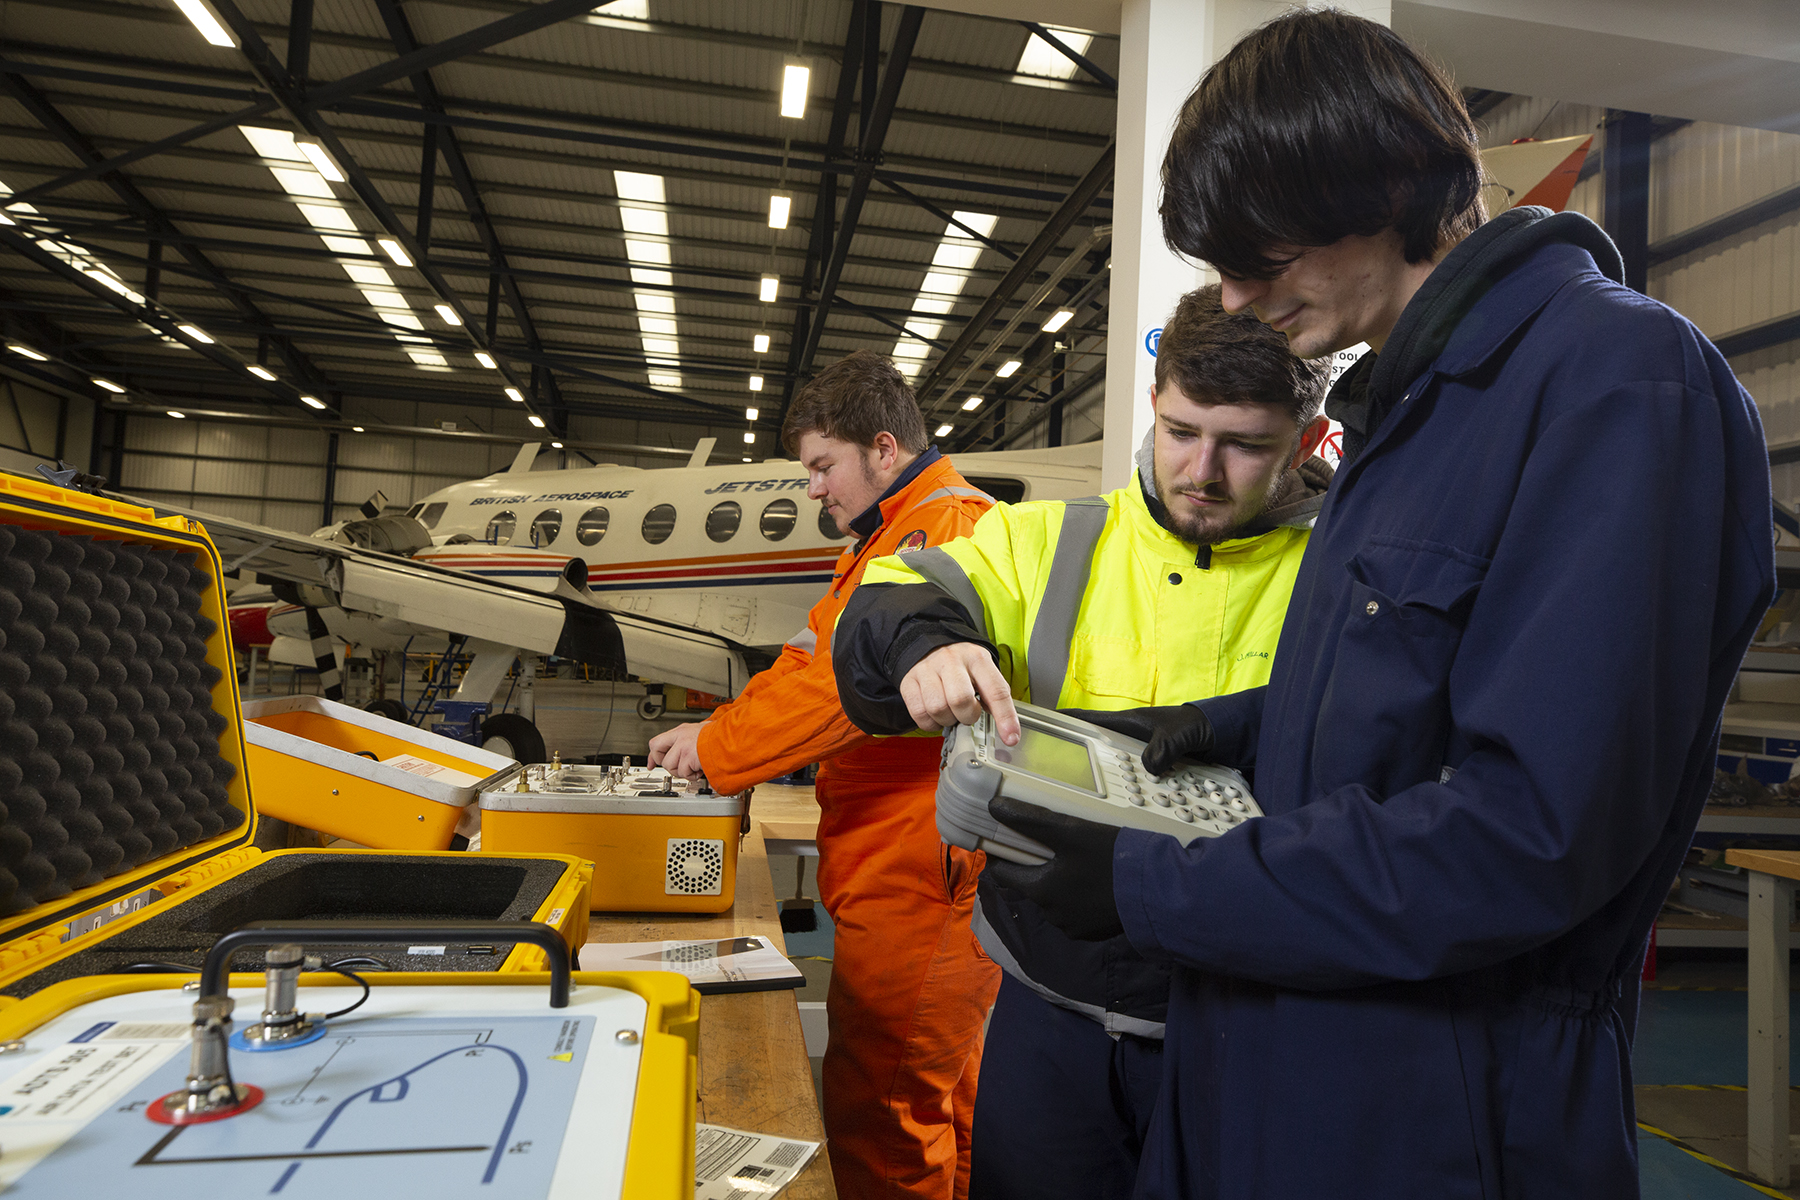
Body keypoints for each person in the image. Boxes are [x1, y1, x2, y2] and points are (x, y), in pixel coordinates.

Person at [893, 12, 1774, 1199]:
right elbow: (1416, 697)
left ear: (1393, 186)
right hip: (1272, 1054)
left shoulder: (1617, 383)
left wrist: (1148, 886)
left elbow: (1530, 834)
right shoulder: (1405, 416)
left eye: (1262, 258)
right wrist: (1229, 726)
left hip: (1436, 1106)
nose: (1240, 300)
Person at [831, 285, 1330, 1199]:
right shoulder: (1051, 541)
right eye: (1182, 431)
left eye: (1246, 445)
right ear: (1153, 401)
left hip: (1255, 1036)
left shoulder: (1349, 574)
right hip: (1049, 1022)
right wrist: (924, 641)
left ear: (1304, 433)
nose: (1203, 472)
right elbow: (888, 598)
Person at [647, 350, 999, 1200]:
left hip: (922, 864)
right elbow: (808, 660)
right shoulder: (884, 539)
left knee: (885, 1110)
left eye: (820, 467)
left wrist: (719, 755)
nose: (812, 490)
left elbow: (847, 692)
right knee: (936, 1103)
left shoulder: (942, 532)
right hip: (899, 857)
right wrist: (715, 729)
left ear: (883, 448)